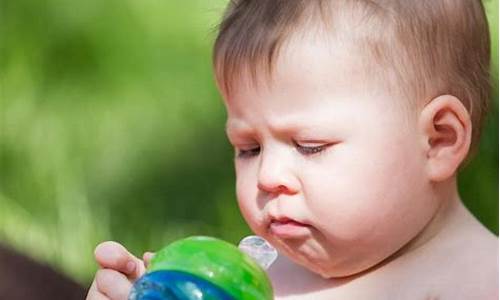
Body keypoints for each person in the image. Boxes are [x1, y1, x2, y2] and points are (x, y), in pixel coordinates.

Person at [86, 1, 498, 299]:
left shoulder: (480, 283)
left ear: (439, 140)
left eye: (310, 146)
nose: (268, 176)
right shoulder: (260, 280)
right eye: (248, 148)